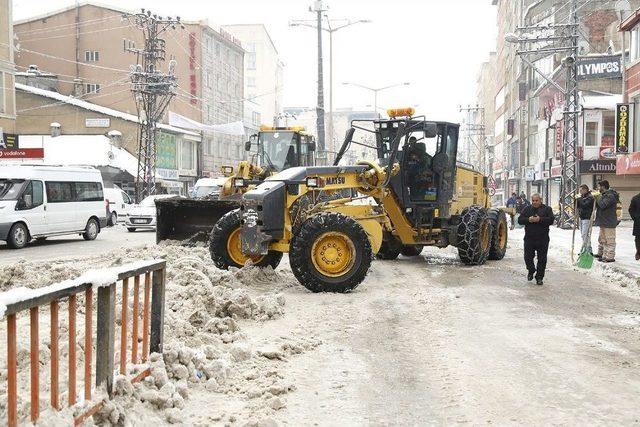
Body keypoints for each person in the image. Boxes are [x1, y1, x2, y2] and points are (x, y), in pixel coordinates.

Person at [518, 193, 554, 285]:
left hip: (543, 238)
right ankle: (531, 269)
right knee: (528, 257)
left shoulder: (547, 209)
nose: (534, 202)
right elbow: (520, 220)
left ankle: (539, 277)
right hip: (529, 238)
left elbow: (551, 220)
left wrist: (540, 219)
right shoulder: (527, 209)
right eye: (533, 200)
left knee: (542, 259)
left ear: (540, 200)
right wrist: (528, 219)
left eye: (536, 200)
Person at [594, 180, 620, 263]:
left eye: (599, 187)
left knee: (610, 240)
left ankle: (610, 257)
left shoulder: (610, 195)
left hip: (609, 221)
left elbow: (603, 205)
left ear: (603, 187)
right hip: (603, 221)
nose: (598, 188)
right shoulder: (604, 195)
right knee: (603, 240)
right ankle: (605, 255)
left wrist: (598, 197)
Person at [576, 184, 595, 254]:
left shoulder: (590, 197)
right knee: (583, 234)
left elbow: (585, 205)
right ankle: (586, 248)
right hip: (581, 217)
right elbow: (578, 206)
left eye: (581, 190)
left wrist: (579, 199)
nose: (580, 192)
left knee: (584, 234)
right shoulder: (582, 197)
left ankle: (588, 248)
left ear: (585, 190)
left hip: (587, 218)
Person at [629, 192, 640, 261]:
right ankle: (638, 252)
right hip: (638, 222)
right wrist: (635, 218)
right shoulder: (635, 198)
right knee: (638, 238)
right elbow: (631, 210)